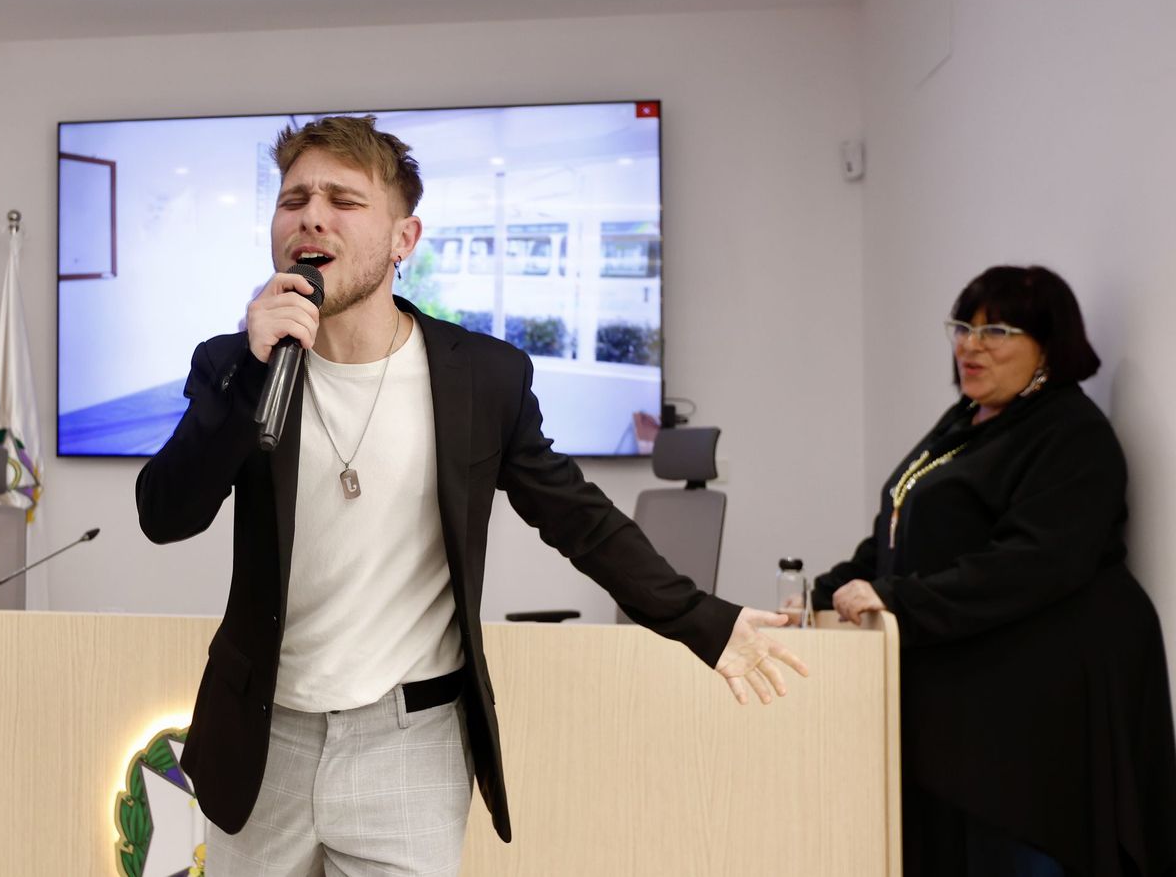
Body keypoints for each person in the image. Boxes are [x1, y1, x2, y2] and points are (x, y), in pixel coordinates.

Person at [136, 115, 807, 875]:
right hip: (265, 739)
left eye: (344, 201)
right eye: (294, 200)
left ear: (404, 238)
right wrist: (249, 380)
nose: (312, 217)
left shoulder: (481, 377)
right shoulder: (236, 365)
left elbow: (577, 518)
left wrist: (702, 621)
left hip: (411, 743)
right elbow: (165, 514)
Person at [813, 265, 1176, 877]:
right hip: (969, 691)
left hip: (1040, 701)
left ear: (1049, 347)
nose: (970, 346)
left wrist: (897, 599)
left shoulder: (1071, 432)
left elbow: (1030, 564)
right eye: (962, 328)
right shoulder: (966, 420)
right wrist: (822, 594)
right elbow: (898, 529)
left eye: (996, 332)